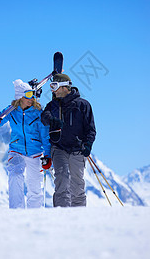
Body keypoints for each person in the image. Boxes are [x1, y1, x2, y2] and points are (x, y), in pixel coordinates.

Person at [0, 79, 51, 209]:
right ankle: (16, 211)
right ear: (20, 97)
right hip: (16, 150)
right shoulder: (11, 111)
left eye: (33, 94)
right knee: (15, 175)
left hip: (35, 152)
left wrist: (48, 155)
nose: (31, 98)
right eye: (28, 95)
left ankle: (35, 214)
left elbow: (45, 136)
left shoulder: (38, 113)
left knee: (35, 187)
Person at [41, 73, 96, 207]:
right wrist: (51, 119)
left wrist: (88, 144)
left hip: (77, 150)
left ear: (65, 86)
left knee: (77, 185)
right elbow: (44, 117)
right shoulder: (52, 105)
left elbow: (91, 129)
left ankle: (78, 217)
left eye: (54, 86)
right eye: (51, 86)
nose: (52, 90)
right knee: (62, 181)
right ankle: (61, 216)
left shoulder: (83, 105)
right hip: (59, 148)